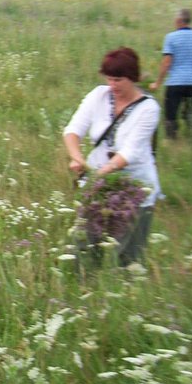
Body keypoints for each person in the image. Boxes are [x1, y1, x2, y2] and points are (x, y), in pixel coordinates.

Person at [63, 47, 161, 266]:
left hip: (136, 188)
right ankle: (83, 289)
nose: (112, 85)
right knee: (84, 245)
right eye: (109, 79)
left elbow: (130, 152)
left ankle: (125, 294)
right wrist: (77, 157)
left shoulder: (149, 108)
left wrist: (99, 174)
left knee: (128, 256)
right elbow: (73, 130)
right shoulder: (98, 96)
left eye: (118, 80)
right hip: (99, 185)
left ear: (132, 78)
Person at [149, 8, 192, 139]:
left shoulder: (170, 37)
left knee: (170, 115)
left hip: (175, 83)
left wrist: (158, 83)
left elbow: (166, 63)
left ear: (179, 20)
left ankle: (172, 141)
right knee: (190, 112)